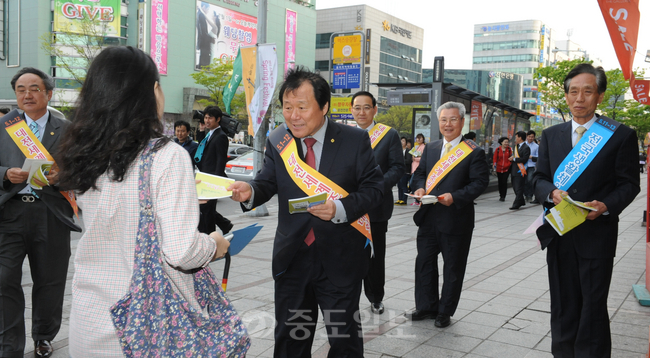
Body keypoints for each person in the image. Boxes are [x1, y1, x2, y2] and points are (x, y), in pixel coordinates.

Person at [54, 46, 230, 356]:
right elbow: (181, 251)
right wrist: (215, 244)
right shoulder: (166, 155)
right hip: (147, 329)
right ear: (152, 92)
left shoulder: (84, 152)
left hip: (89, 321)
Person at [228, 67, 383, 357]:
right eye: (287, 107)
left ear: (324, 107)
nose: (293, 116)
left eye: (301, 107)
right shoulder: (279, 141)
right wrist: (250, 193)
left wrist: (339, 208)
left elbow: (376, 190)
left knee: (343, 340)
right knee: (290, 340)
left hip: (340, 258)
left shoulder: (353, 140)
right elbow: (267, 182)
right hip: (293, 257)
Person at [533, 63, 639, 357]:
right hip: (559, 233)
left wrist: (607, 206)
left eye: (587, 92)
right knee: (562, 304)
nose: (580, 98)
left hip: (597, 235)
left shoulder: (620, 134)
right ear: (566, 96)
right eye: (574, 92)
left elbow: (629, 184)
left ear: (600, 96)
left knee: (593, 306)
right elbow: (538, 177)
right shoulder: (551, 134)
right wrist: (551, 192)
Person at [0, 67, 81, 358]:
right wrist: (6, 174)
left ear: (48, 93)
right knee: (4, 278)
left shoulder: (69, 129)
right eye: (21, 89)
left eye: (34, 88)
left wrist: (60, 176)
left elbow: (82, 172)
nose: (27, 94)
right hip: (10, 213)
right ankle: (9, 344)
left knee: (50, 279)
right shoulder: (4, 125)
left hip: (51, 213)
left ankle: (44, 336)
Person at [408, 101, 489, 328]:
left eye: (453, 119)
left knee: (453, 267)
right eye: (443, 119)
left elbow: (479, 183)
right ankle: (426, 306)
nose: (448, 124)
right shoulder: (431, 148)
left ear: (462, 122)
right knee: (424, 263)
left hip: (456, 218)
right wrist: (420, 188)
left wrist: (455, 196)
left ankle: (445, 311)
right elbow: (420, 174)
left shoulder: (473, 151)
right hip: (428, 217)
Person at [351, 91, 404, 315]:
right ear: (351, 110)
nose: (361, 112)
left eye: (366, 107)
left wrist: (375, 187)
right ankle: (348, 297)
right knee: (348, 254)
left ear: (374, 110)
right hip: (349, 206)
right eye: (357, 107)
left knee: (375, 255)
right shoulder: (345, 135)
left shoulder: (388, 135)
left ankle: (375, 297)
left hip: (376, 206)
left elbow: (398, 168)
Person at [194, 106, 234, 235]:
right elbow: (202, 148)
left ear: (218, 119)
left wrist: (215, 182)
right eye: (205, 117)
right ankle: (222, 226)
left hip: (211, 179)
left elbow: (220, 161)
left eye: (210, 117)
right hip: (204, 177)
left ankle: (211, 234)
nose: (207, 120)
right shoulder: (210, 134)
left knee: (207, 210)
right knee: (206, 209)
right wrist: (201, 130)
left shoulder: (221, 136)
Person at [508, 131, 529, 210]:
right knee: (515, 187)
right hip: (514, 169)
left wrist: (514, 159)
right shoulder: (516, 147)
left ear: (520, 137)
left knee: (519, 188)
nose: (516, 138)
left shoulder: (526, 147)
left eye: (516, 137)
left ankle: (516, 204)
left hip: (521, 171)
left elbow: (524, 159)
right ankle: (521, 201)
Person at [493, 136, 512, 202]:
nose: (506, 143)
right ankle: (501, 194)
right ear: (501, 142)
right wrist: (494, 166)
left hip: (506, 168)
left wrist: (509, 163)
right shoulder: (497, 149)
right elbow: (495, 158)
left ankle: (503, 196)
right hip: (499, 168)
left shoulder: (509, 149)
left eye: (507, 142)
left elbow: (511, 157)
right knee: (500, 182)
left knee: (504, 182)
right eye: (505, 142)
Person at [395, 136, 413, 205]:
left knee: (404, 185)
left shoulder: (408, 151)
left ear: (406, 142)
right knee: (399, 186)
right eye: (401, 141)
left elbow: (408, 161)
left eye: (403, 141)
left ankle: (404, 200)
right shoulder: (398, 150)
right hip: (399, 171)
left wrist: (400, 161)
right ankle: (400, 199)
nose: (401, 142)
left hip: (405, 171)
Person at [410, 133, 426, 206]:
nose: (418, 139)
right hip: (414, 167)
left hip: (418, 168)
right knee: (413, 183)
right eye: (417, 138)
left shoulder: (423, 147)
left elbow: (423, 159)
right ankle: (417, 200)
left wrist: (415, 158)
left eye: (420, 138)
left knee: (413, 183)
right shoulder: (417, 147)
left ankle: (418, 199)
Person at [524, 130, 539, 204]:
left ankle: (529, 195)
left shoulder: (536, 146)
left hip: (531, 165)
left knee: (530, 180)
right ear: (527, 136)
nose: (530, 138)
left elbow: (538, 157)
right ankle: (525, 195)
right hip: (523, 166)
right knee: (524, 181)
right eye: (529, 136)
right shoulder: (523, 144)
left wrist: (531, 157)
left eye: (532, 137)